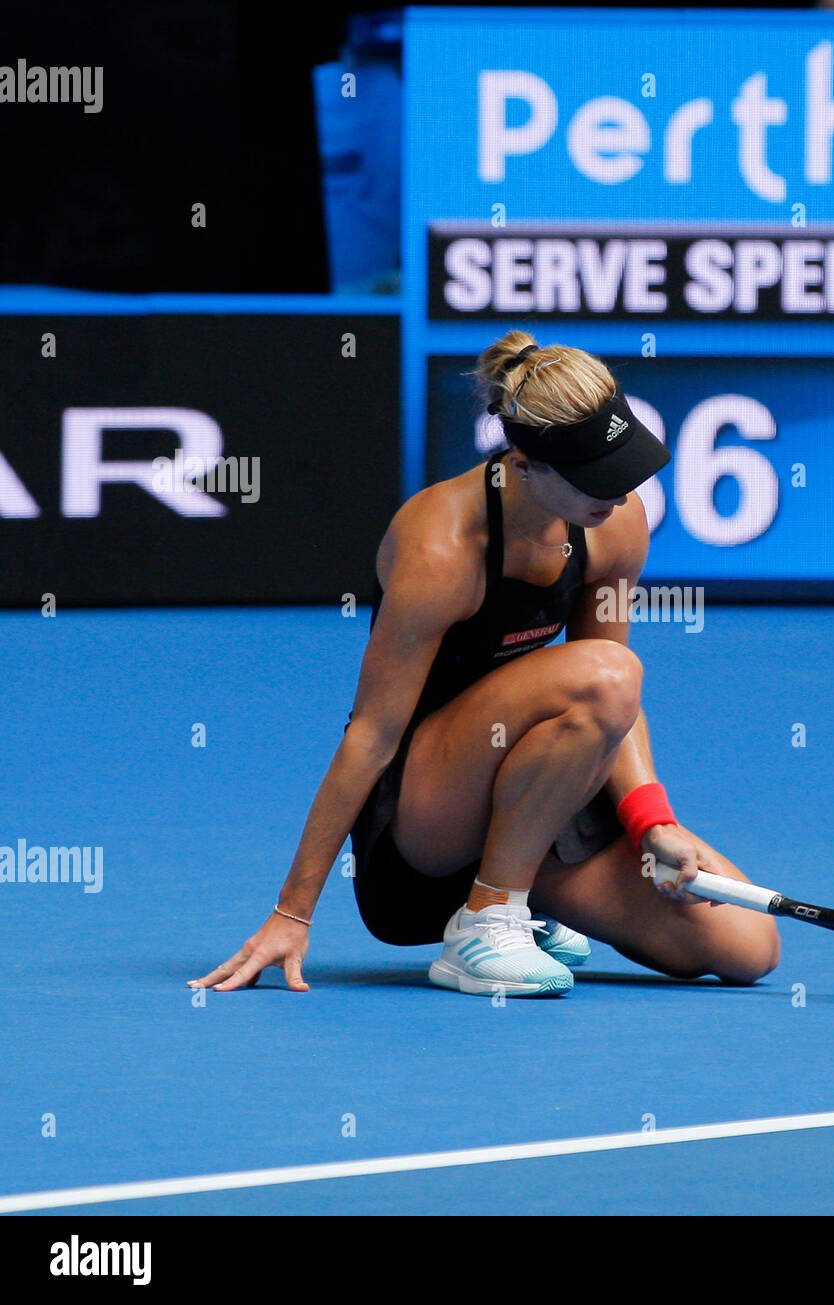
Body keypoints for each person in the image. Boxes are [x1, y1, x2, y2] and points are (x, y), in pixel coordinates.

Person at [192, 331, 780, 998]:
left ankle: (521, 899)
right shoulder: (440, 547)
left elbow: (616, 713)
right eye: (595, 476)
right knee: (609, 673)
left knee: (747, 946)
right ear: (526, 464)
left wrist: (653, 822)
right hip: (420, 830)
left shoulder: (616, 524)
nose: (618, 492)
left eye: (622, 465)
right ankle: (487, 918)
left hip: (532, 801)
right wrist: (291, 913)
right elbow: (371, 734)